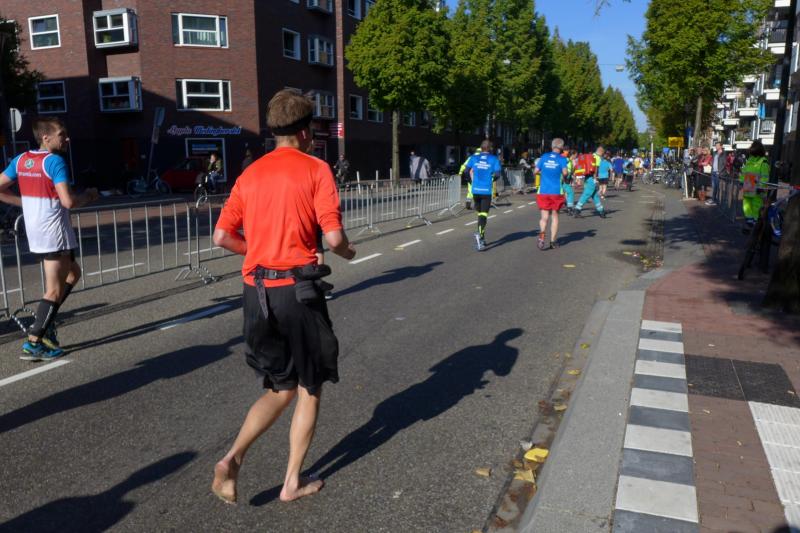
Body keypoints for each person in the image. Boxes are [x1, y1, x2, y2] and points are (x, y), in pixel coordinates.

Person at [210, 89, 356, 505]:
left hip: (256, 292)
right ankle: (291, 482)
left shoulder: (250, 174)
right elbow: (334, 238)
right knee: (310, 385)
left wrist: (256, 251)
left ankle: (232, 459)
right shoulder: (316, 169)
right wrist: (349, 252)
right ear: (305, 132)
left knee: (279, 387)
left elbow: (221, 236)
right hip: (297, 292)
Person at [0, 117, 99, 360]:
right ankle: (34, 341)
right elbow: (68, 201)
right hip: (54, 233)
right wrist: (89, 195)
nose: (67, 139)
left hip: (36, 232)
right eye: (62, 134)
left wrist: (26, 203)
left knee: (73, 273)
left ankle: (48, 321)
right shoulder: (55, 161)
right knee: (54, 290)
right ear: (46, 138)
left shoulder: (21, 160)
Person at [465, 139, 502, 251]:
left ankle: (482, 236)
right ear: (490, 148)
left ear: (481, 148)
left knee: (480, 214)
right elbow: (497, 174)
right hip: (486, 191)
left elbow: (466, 171)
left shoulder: (474, 157)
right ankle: (480, 237)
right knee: (483, 215)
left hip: (475, 190)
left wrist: (471, 182)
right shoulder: (494, 159)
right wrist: (491, 180)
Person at [535, 138, 569, 249]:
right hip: (556, 191)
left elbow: (535, 171)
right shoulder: (562, 159)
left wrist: (544, 172)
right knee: (555, 216)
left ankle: (542, 235)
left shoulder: (544, 157)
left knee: (544, 217)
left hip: (543, 191)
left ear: (552, 146)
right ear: (562, 147)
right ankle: (552, 242)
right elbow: (565, 173)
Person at [739, 139, 770, 227]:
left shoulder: (763, 162)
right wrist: (741, 181)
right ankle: (750, 221)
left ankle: (756, 224)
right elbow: (744, 172)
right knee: (746, 204)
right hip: (748, 185)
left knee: (756, 206)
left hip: (757, 188)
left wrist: (761, 187)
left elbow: (765, 177)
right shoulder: (750, 160)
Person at [574, 146, 606, 219]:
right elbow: (596, 169)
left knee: (595, 195)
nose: (602, 155)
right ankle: (577, 210)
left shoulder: (592, 155)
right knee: (586, 194)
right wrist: (596, 178)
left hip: (587, 177)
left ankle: (601, 211)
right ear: (601, 152)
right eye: (603, 153)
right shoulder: (597, 158)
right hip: (592, 178)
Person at [707, 141, 725, 206]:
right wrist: (711, 165)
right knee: (714, 187)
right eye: (716, 145)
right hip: (713, 172)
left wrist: (719, 171)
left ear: (721, 146)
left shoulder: (724, 154)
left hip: (718, 173)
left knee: (717, 187)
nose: (716, 146)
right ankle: (713, 199)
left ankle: (717, 200)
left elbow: (724, 164)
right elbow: (713, 161)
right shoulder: (715, 153)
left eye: (717, 145)